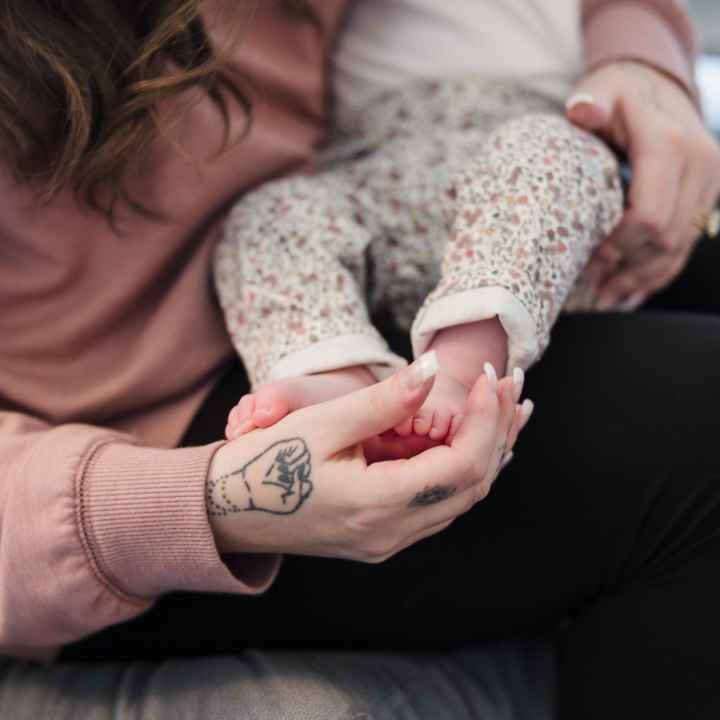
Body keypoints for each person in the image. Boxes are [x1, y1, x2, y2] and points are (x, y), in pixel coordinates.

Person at [1, 2, 720, 720]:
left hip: (370, 229)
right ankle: (356, 374)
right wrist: (210, 500)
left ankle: (450, 339)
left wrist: (641, 60)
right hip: (137, 454)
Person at [214, 0, 623, 451]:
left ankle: (462, 366)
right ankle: (336, 374)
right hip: (375, 167)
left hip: (524, 168)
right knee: (271, 213)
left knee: (551, 156)